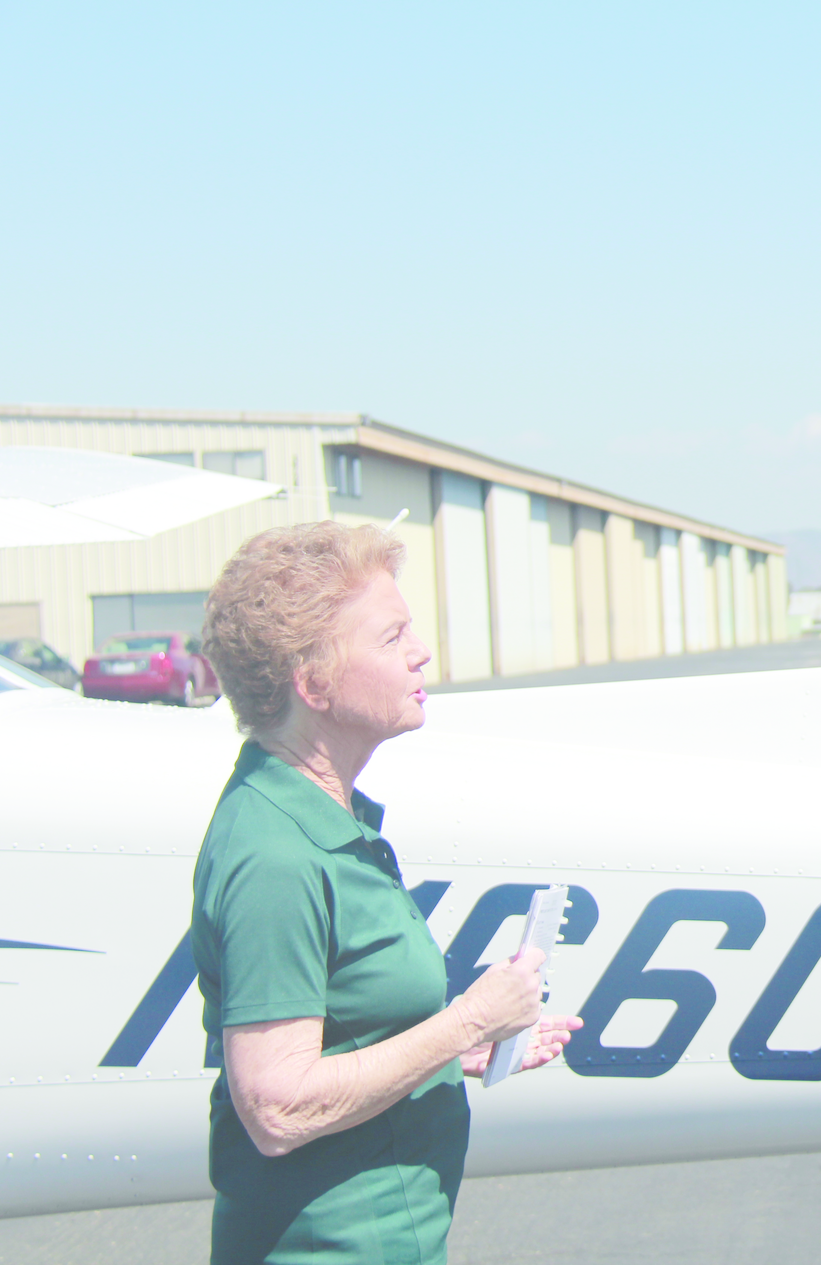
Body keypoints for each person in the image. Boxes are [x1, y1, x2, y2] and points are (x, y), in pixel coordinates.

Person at [193, 521, 579, 1265]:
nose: (419, 652)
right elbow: (276, 1105)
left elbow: (345, 1036)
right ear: (314, 683)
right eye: (391, 635)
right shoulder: (276, 855)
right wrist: (467, 1022)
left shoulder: (324, 820)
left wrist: (447, 1058)